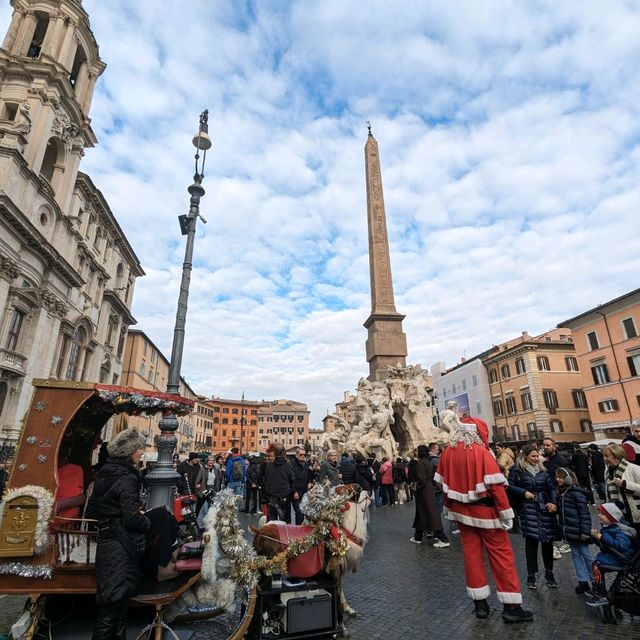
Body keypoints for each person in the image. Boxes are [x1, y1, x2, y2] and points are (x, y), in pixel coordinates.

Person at [436, 416, 533, 622]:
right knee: (502, 557)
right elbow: (496, 488)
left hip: (463, 514)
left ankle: (480, 604)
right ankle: (511, 606)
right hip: (487, 514)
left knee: (471, 557)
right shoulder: (482, 453)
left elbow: (443, 487)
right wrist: (506, 513)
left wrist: (449, 509)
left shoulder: (447, 453)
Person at [87, 428, 150, 640]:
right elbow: (132, 518)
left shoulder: (105, 472)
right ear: (129, 451)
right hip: (121, 545)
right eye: (140, 448)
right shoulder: (127, 477)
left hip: (108, 540)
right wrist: (146, 521)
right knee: (113, 609)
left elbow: (93, 510)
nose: (143, 451)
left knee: (116, 605)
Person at [508, 444, 561, 590]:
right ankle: (531, 575)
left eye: (537, 456)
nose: (536, 459)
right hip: (528, 507)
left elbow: (551, 488)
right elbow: (509, 486)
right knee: (531, 543)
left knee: (547, 541)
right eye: (533, 456)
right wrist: (523, 492)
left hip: (544, 507)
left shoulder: (543, 470)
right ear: (525, 456)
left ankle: (549, 574)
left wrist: (553, 503)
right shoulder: (516, 470)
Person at [586, 503, 638, 607]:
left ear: (611, 517)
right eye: (599, 513)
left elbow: (621, 546)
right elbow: (606, 545)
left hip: (622, 558)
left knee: (597, 565)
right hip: (617, 556)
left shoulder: (619, 530)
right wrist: (597, 538)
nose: (599, 516)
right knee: (597, 564)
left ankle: (601, 594)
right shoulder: (610, 527)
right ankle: (599, 590)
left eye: (603, 514)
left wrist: (601, 537)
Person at [555, 467, 594, 594]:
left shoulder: (576, 493)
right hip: (570, 531)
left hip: (579, 531)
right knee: (576, 555)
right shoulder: (562, 493)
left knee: (586, 556)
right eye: (557, 477)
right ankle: (583, 581)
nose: (557, 479)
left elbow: (584, 514)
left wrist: (585, 531)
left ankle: (595, 581)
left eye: (560, 477)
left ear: (567, 478)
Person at [410, 444, 449, 547]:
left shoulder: (421, 463)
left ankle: (443, 538)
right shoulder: (427, 461)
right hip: (428, 489)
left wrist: (416, 487)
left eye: (417, 451)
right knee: (421, 514)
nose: (416, 453)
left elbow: (421, 479)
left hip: (424, 491)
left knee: (431, 514)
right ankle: (417, 536)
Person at [542, 437, 571, 556]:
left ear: (554, 446)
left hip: (558, 494)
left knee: (561, 518)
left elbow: (567, 479)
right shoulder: (547, 460)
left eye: (548, 445)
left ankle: (564, 542)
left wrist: (561, 492)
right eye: (544, 445)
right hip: (551, 494)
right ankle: (560, 542)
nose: (545, 447)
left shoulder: (560, 460)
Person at [603, 443, 640, 533]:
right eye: (603, 456)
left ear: (616, 455)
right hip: (620, 517)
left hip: (637, 516)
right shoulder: (607, 473)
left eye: (607, 456)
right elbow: (608, 495)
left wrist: (625, 484)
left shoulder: (633, 468)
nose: (604, 459)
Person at [264, 444, 295, 523]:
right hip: (284, 494)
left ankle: (273, 535)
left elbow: (266, 478)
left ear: (274, 453)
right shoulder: (288, 465)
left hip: (272, 495)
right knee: (285, 521)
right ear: (284, 453)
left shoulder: (269, 465)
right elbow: (292, 479)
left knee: (272, 521)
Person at [291, 448, 310, 525]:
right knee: (299, 512)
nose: (303, 456)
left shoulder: (306, 464)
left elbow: (308, 476)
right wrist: (294, 491)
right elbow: (290, 479)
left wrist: (309, 482)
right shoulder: (292, 464)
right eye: (301, 454)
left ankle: (299, 529)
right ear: (297, 455)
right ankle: (297, 529)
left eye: (304, 454)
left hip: (304, 492)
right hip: (295, 492)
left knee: (303, 511)